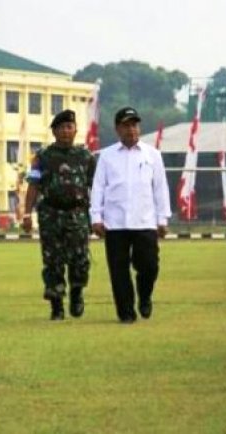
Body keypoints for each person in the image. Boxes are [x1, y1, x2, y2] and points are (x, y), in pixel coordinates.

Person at [90, 107, 171, 324]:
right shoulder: (106, 156)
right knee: (119, 271)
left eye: (134, 124)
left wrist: (162, 219)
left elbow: (160, 189)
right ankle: (126, 312)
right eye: (126, 125)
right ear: (117, 128)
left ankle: (145, 296)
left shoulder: (152, 155)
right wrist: (95, 217)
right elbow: (98, 188)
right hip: (115, 223)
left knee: (149, 266)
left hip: (145, 221)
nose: (131, 129)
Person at [22, 109, 96, 320]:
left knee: (80, 260)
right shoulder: (42, 157)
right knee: (53, 261)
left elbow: (97, 187)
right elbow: (33, 186)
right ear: (54, 131)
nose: (65, 131)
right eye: (61, 128)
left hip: (78, 215)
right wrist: (27, 215)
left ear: (75, 130)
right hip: (51, 216)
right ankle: (56, 306)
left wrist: (100, 216)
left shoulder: (86, 157)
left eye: (69, 127)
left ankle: (76, 293)